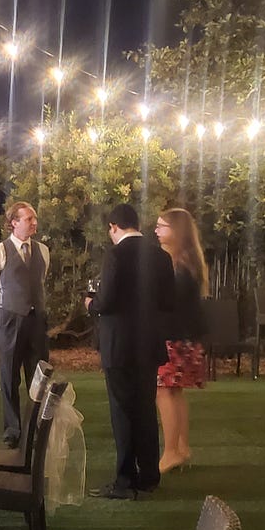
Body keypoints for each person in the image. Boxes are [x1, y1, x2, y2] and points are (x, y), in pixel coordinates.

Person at [86, 203, 176, 499]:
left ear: (114, 226)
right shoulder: (161, 257)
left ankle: (125, 479)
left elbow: (107, 300)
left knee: (122, 411)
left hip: (119, 345)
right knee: (146, 409)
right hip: (147, 344)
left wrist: (91, 304)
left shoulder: (116, 255)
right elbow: (167, 301)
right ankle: (149, 475)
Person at [0, 201, 50, 449]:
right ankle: (13, 429)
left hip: (37, 321)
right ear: (14, 222)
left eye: (34, 218)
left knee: (39, 376)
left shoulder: (43, 251)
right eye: (29, 219)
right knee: (9, 376)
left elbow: (39, 281)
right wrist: (6, 312)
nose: (34, 223)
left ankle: (37, 428)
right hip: (10, 319)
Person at [154, 208, 208, 473]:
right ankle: (182, 446)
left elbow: (170, 302)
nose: (157, 230)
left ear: (176, 231)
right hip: (185, 337)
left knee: (164, 390)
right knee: (175, 392)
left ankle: (171, 451)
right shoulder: (188, 261)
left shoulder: (179, 265)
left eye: (162, 226)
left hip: (175, 337)